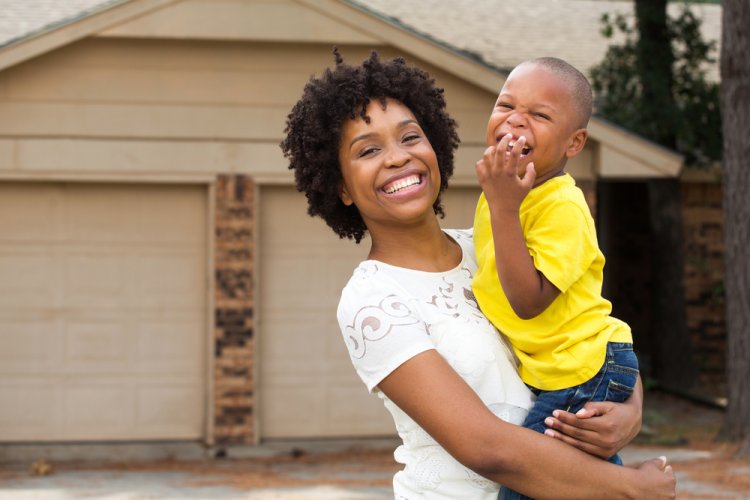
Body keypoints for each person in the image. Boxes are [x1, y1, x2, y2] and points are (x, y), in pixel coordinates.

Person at [280, 49, 674, 499]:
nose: (396, 158)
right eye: (369, 150)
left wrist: (630, 407)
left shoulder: (492, 245)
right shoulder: (372, 300)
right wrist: (632, 489)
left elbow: (587, 329)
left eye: (410, 138)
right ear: (341, 187)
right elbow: (486, 448)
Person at [472, 58, 638, 488]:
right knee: (570, 483)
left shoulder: (560, 206)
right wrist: (504, 201)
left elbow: (528, 302)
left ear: (574, 142)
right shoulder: (506, 194)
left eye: (540, 115)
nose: (515, 120)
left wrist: (503, 205)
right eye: (506, 105)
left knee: (535, 483)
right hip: (562, 367)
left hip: (584, 367)